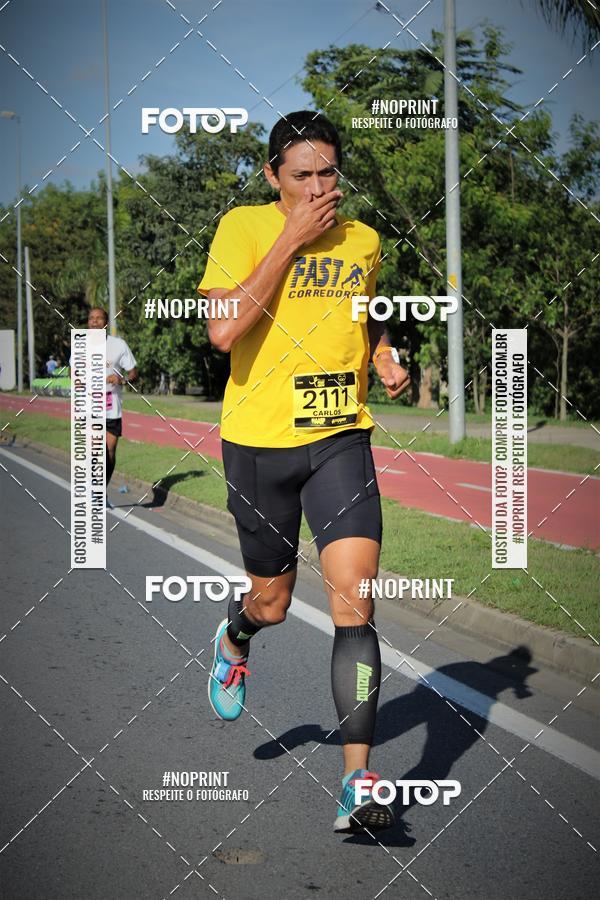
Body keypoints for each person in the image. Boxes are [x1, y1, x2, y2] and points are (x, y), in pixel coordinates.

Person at [197, 111, 410, 834]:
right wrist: (291, 238)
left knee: (355, 601)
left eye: (328, 174)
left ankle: (357, 780)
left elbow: (363, 308)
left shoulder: (365, 240)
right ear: (272, 178)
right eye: (301, 177)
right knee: (274, 604)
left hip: (339, 438)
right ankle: (236, 634)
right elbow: (223, 329)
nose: (319, 189)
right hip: (259, 445)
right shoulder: (245, 228)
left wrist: (381, 353)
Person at [86, 307, 138, 501]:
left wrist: (121, 380)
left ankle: (100, 489)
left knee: (110, 451)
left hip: (111, 405)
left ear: (106, 323)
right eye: (91, 318)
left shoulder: (119, 345)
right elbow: (72, 371)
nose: (95, 321)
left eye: (99, 318)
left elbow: (133, 373)